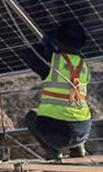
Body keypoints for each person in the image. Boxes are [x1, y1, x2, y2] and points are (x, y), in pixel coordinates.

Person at [21, 20, 91, 160]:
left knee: (31, 117)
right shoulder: (84, 66)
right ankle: (78, 148)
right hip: (82, 132)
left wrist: (46, 46)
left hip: (56, 133)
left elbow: (28, 54)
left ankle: (53, 150)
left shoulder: (54, 61)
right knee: (74, 111)